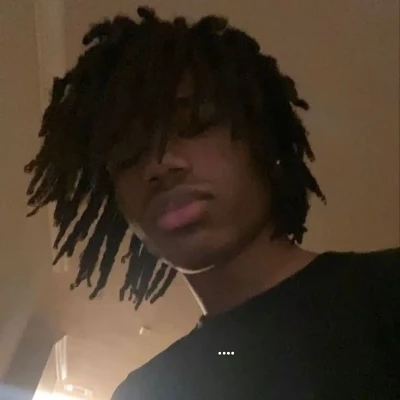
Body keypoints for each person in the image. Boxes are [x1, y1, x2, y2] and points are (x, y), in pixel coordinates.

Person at [26, 7, 399, 400]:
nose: (158, 165)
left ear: (261, 139)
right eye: (127, 153)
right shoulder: (146, 392)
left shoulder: (386, 294)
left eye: (192, 124)